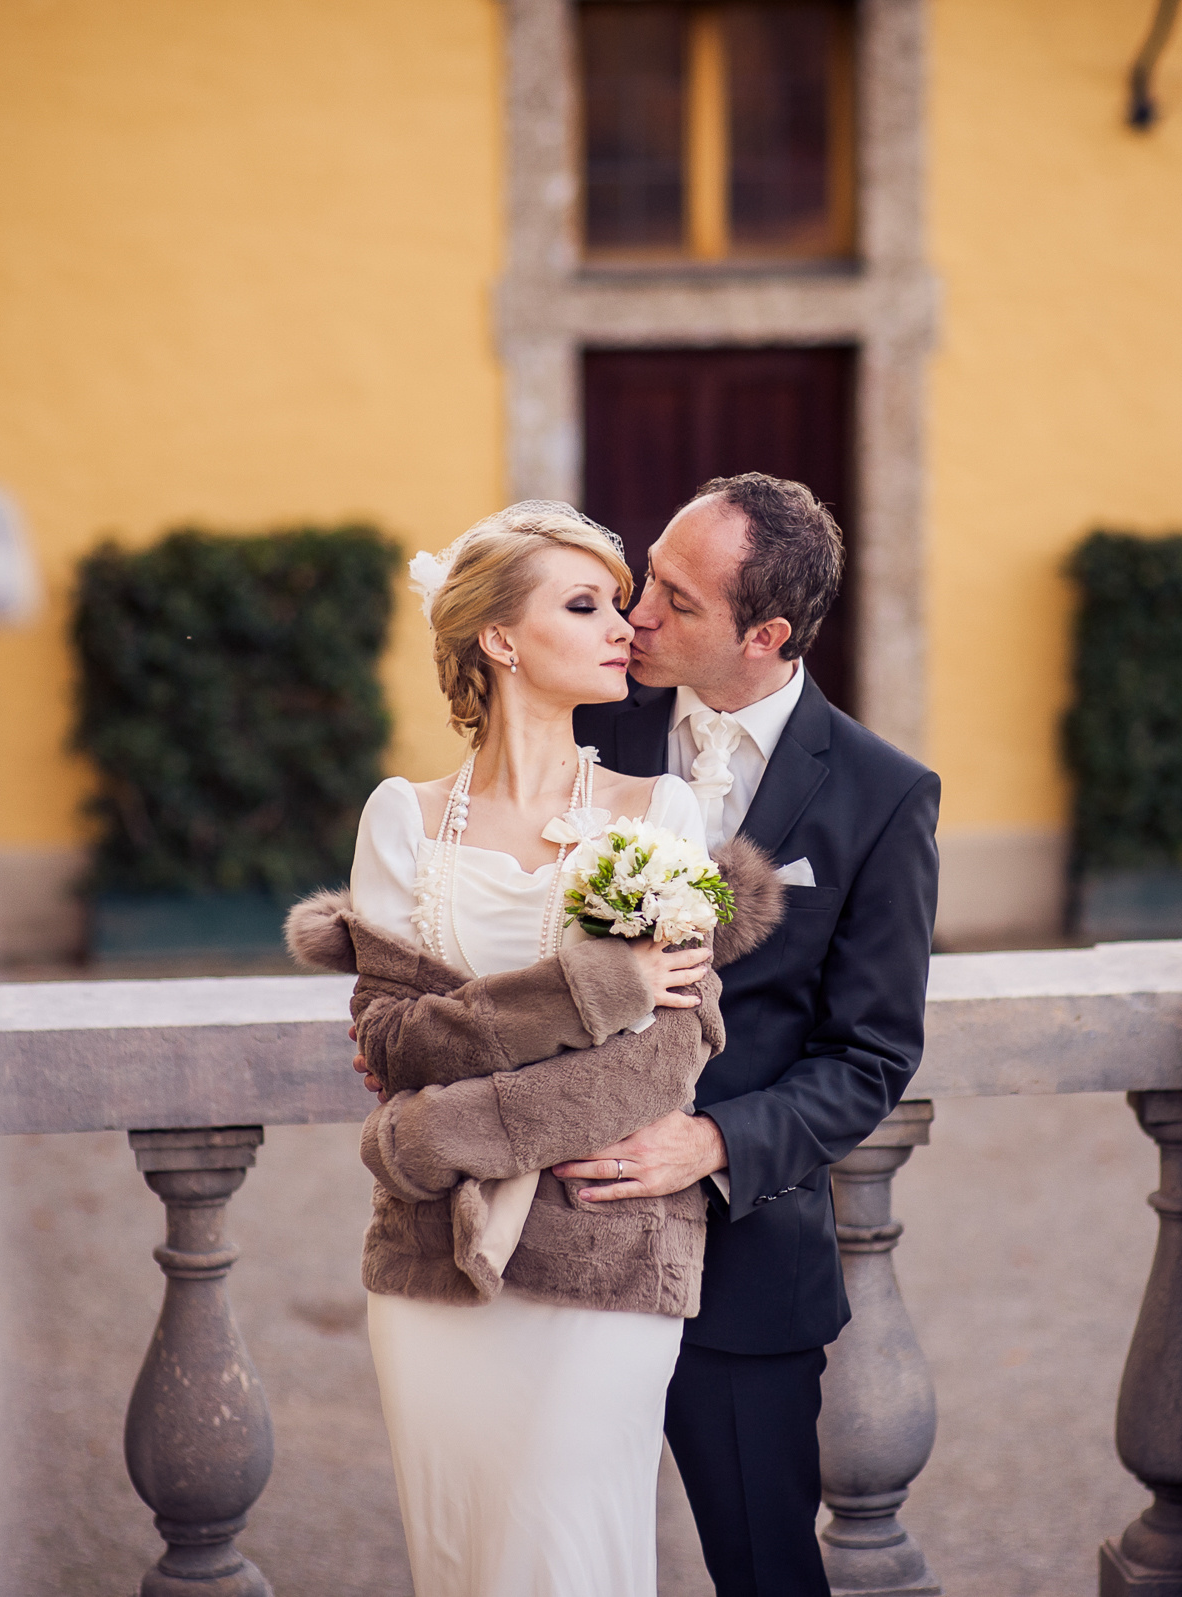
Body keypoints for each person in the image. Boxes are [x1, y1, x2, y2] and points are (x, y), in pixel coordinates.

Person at [288, 500, 787, 1597]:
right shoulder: (401, 821)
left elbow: (661, 1060)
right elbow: (390, 1039)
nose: (625, 625)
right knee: (460, 1557)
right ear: (500, 639)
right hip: (433, 1258)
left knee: (568, 1554)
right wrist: (595, 985)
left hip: (604, 1246)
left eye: (619, 601)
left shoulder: (659, 814)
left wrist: (436, 1129)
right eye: (586, 604)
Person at [563, 473, 940, 1597]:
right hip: (564, 1239)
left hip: (746, 1267)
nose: (635, 615)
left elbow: (873, 1053)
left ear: (765, 634)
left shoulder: (882, 793)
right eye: (643, 580)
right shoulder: (582, 724)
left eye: (674, 600)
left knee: (767, 1573)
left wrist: (711, 1143)